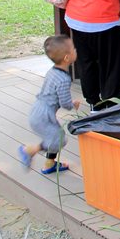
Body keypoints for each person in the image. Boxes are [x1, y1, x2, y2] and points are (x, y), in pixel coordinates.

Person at [18, 35, 81, 174]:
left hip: (38, 109)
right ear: (67, 58)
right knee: (59, 139)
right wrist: (73, 104)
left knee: (56, 137)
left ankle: (49, 164)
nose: (76, 50)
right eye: (73, 49)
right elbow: (65, 102)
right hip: (44, 115)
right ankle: (29, 150)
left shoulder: (52, 71)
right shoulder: (64, 79)